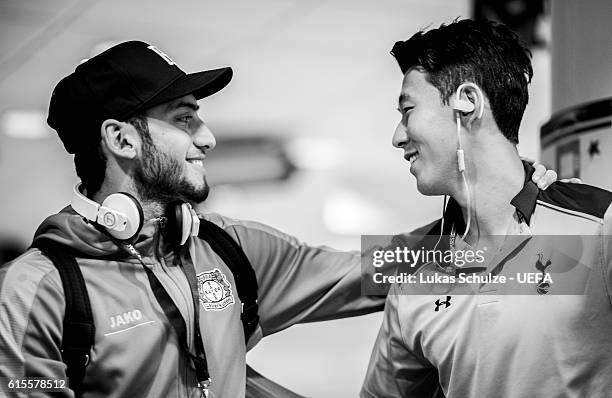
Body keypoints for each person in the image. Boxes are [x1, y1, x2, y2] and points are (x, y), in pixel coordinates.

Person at [0, 40, 557, 398]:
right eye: (185, 119)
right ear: (120, 139)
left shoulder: (227, 252)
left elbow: (386, 269)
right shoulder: (37, 289)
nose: (208, 138)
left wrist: (508, 197)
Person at [361, 19, 612, 398]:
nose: (398, 137)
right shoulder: (412, 277)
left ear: (468, 102)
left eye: (407, 110)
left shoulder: (598, 225)